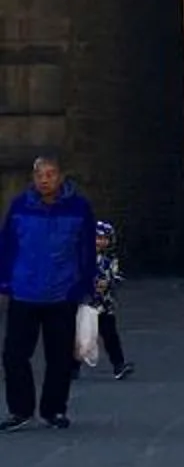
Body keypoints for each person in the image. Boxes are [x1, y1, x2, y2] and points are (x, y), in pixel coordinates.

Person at [0, 152, 99, 431]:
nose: (45, 180)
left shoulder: (79, 208)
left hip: (62, 291)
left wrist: (86, 284)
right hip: (24, 291)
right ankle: (20, 410)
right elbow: (7, 244)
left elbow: (87, 249)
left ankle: (54, 410)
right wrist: (5, 280)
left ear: (61, 176)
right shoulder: (20, 207)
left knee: (60, 357)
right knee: (14, 355)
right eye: (40, 175)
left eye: (50, 174)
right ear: (33, 178)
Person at [93, 220, 133, 378]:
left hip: (105, 304)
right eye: (98, 238)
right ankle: (71, 367)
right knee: (81, 336)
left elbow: (117, 276)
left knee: (110, 335)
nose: (101, 242)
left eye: (105, 239)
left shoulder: (110, 259)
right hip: (85, 304)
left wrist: (110, 281)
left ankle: (118, 365)